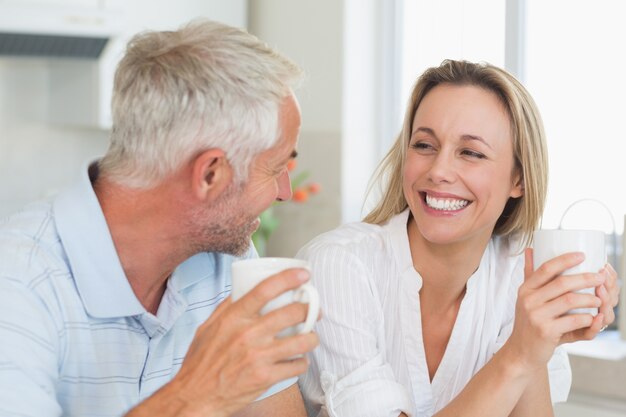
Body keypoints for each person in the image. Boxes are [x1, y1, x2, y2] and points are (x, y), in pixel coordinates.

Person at [0, 19, 319, 417]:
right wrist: (194, 395)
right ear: (210, 174)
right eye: (275, 169)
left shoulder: (225, 259)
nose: (285, 191)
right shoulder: (19, 281)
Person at [296, 60, 620, 417]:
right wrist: (519, 353)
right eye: (424, 145)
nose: (438, 171)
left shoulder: (519, 278)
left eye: (471, 152)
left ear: (519, 179)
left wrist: (541, 341)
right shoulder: (339, 265)